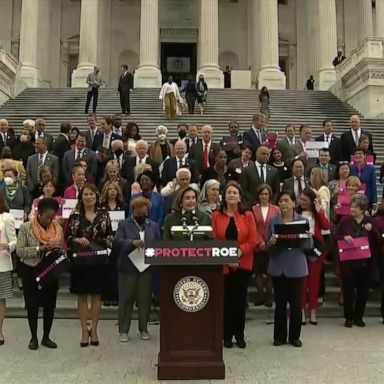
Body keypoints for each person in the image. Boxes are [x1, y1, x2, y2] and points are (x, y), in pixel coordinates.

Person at [212, 181, 261, 348]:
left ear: (240, 197)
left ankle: (239, 335)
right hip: (223, 263)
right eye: (229, 193)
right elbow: (214, 240)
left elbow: (253, 239)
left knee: (240, 302)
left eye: (235, 193)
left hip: (243, 263)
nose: (232, 195)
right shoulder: (216, 216)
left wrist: (238, 252)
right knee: (226, 301)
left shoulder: (247, 215)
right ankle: (226, 335)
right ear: (224, 197)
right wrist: (227, 257)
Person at [66, 183, 113, 347]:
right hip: (80, 261)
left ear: (96, 196)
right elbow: (68, 238)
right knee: (82, 295)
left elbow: (110, 236)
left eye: (91, 194)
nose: (89, 197)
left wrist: (103, 244)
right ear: (81, 197)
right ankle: (84, 331)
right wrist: (77, 240)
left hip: (99, 261)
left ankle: (94, 329)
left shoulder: (104, 213)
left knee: (96, 295)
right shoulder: (75, 215)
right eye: (85, 194)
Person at [16, 198, 64, 350]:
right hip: (30, 270)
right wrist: (38, 249)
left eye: (52, 217)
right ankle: (34, 338)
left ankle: (46, 337)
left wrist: (55, 251)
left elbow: (61, 248)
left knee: (49, 305)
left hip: (49, 270)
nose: (50, 220)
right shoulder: (26, 227)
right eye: (47, 217)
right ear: (39, 213)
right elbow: (19, 250)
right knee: (32, 306)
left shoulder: (58, 229)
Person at [267, 191, 313, 347]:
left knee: (295, 304)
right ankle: (279, 337)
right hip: (278, 266)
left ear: (294, 203)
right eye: (280, 201)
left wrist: (309, 238)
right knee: (279, 305)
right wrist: (271, 242)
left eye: (286, 200)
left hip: (297, 267)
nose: (283, 204)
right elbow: (268, 247)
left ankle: (294, 337)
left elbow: (309, 247)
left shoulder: (303, 220)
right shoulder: (273, 222)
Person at [114, 197, 161, 342]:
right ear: (133, 210)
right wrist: (131, 242)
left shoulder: (153, 225)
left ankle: (143, 329)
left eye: (144, 212)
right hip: (127, 267)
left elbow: (158, 244)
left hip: (145, 268)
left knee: (144, 300)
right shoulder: (123, 224)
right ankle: (123, 330)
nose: (141, 214)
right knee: (126, 299)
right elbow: (117, 242)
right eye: (138, 211)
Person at [335, 194, 379, 327]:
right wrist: (344, 236)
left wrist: (372, 231)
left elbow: (379, 240)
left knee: (363, 291)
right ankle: (348, 317)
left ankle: (358, 317)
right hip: (348, 262)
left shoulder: (370, 221)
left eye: (355, 207)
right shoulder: (345, 221)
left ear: (362, 209)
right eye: (351, 206)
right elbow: (335, 235)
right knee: (348, 290)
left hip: (366, 263)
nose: (352, 209)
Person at [297, 188, 330, 325]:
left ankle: (313, 310)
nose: (302, 202)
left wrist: (319, 210)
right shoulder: (296, 213)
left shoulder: (317, 214)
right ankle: (302, 310)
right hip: (300, 250)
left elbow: (326, 225)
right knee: (302, 282)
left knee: (314, 282)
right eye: (301, 199)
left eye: (305, 200)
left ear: (312, 201)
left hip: (315, 250)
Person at [251, 184, 280, 307]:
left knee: (270, 272)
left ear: (270, 195)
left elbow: (278, 226)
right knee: (258, 272)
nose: (264, 196)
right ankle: (260, 295)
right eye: (262, 194)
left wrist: (269, 242)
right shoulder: (253, 209)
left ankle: (269, 296)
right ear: (258, 195)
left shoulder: (276, 209)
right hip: (257, 246)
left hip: (271, 244)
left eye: (266, 194)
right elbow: (252, 228)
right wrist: (260, 242)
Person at [100, 181, 127, 307]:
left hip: (119, 242)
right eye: (109, 189)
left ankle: (117, 295)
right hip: (104, 241)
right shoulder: (101, 206)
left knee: (117, 269)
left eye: (114, 189)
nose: (112, 191)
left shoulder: (123, 206)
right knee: (106, 269)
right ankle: (106, 296)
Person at [0, 195, 17, 346]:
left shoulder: (6, 217)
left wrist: (8, 246)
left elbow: (14, 240)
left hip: (2, 264)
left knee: (0, 298)